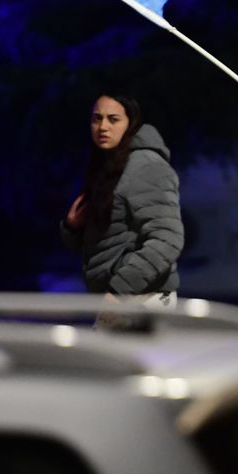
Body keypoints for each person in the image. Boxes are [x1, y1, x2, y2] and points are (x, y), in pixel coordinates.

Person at [60, 94, 185, 327]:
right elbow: (103, 244)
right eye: (96, 119)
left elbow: (167, 239)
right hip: (120, 299)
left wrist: (119, 292)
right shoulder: (107, 166)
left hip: (140, 299)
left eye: (113, 119)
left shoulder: (146, 165)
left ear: (131, 123)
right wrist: (72, 227)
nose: (102, 127)